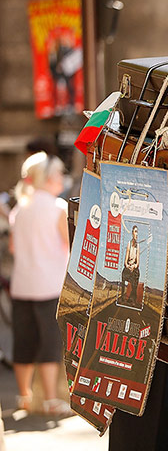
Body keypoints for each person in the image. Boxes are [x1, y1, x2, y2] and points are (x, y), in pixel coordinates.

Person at [9, 151, 72, 416]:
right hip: (50, 285)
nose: (61, 178)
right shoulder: (58, 208)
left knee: (23, 341)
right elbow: (69, 246)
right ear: (46, 178)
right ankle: (50, 399)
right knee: (50, 342)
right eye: (58, 173)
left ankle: (24, 395)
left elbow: (12, 248)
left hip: (22, 284)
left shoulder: (19, 207)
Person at [121, 225, 140, 305]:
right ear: (132, 233)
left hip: (134, 268)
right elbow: (125, 260)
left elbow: (137, 263)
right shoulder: (129, 244)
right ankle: (122, 297)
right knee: (124, 274)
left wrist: (134, 266)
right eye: (135, 232)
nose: (137, 234)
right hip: (128, 267)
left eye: (137, 232)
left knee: (136, 274)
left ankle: (132, 299)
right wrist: (128, 265)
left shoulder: (138, 246)